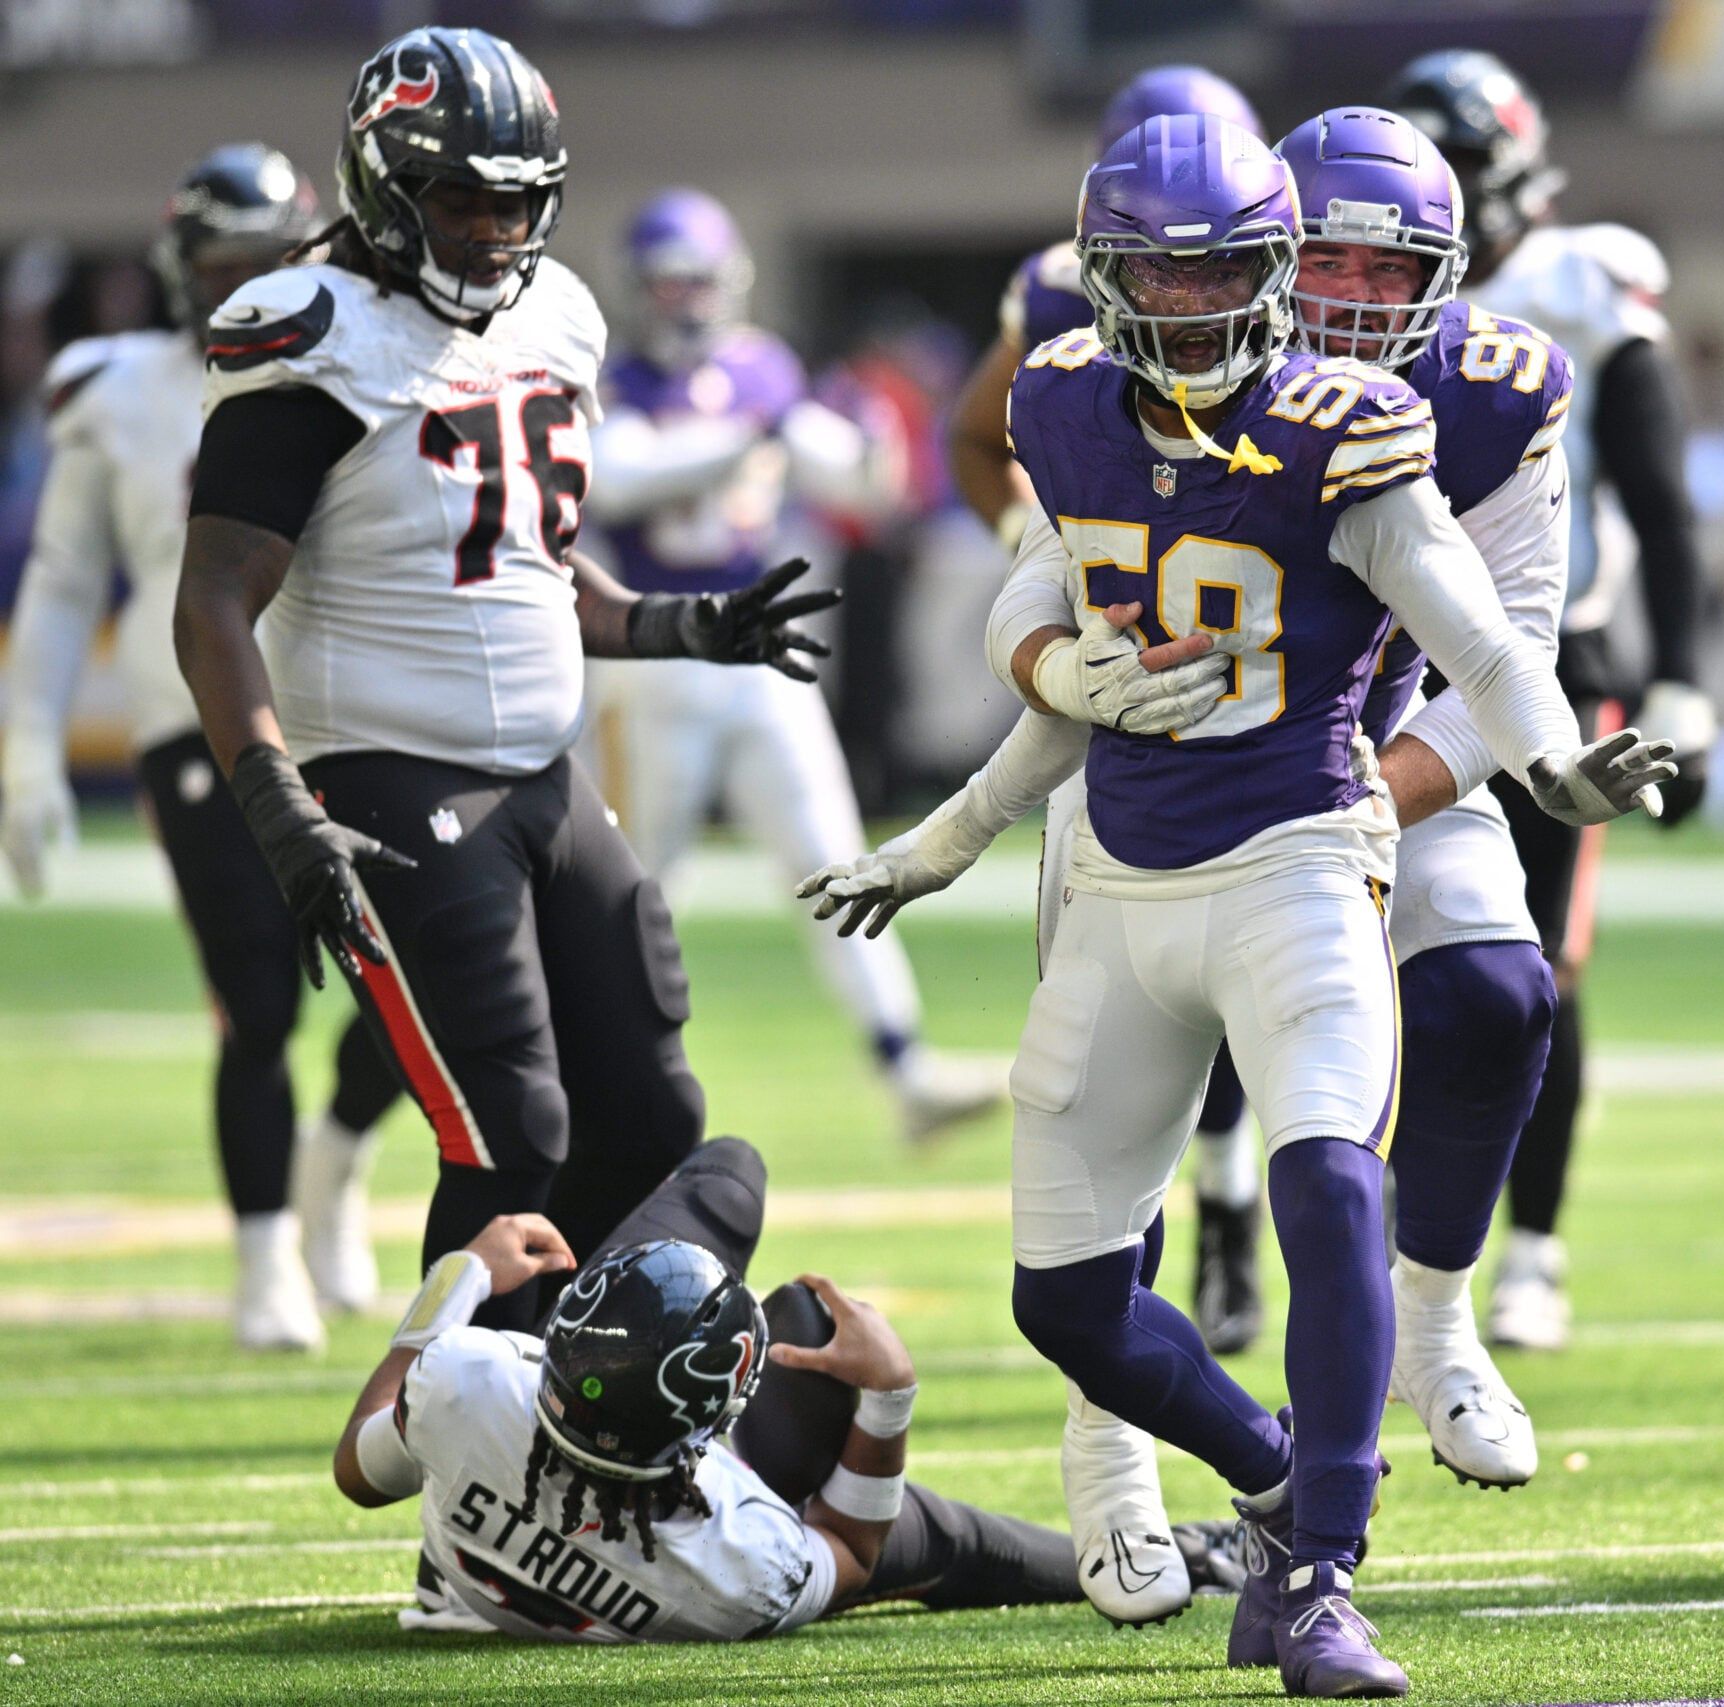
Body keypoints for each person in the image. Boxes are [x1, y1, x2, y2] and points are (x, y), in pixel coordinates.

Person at [813, 114, 1668, 1695]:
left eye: (1229, 269)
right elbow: (1042, 590)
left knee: (1336, 1171)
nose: (1201, 301)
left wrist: (1552, 769)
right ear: (1109, 274)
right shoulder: (1067, 395)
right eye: (1162, 271)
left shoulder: (1367, 420)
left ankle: (1329, 1560)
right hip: (1127, 855)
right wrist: (975, 792)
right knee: (1068, 1296)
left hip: (1306, 839)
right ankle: (1272, 1481)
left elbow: (1492, 643)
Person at [170, 26, 837, 1333]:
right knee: (507, 1123)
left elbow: (528, 571)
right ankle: (446, 1427)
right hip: (382, 770)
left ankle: (562, 1387)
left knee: (651, 1109)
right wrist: (273, 798)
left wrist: (676, 626)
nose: (490, 230)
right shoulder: (313, 330)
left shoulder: (558, 316)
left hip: (538, 774)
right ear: (383, 187)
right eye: (461, 198)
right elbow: (213, 596)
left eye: (515, 200)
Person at [1, 144, 403, 1350]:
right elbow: (68, 583)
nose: (241, 286)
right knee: (259, 999)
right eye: (221, 266)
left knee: (414, 987)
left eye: (262, 262)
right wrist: (26, 749)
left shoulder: (357, 351)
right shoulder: (117, 387)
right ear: (181, 271)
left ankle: (334, 1158)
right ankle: (263, 1253)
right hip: (194, 725)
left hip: (345, 708)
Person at [331, 1137, 1236, 1640]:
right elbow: (852, 1545)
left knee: (731, 1194)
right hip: (669, 1533)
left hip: (510, 1563)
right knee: (934, 1520)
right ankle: (1180, 1550)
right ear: (713, 1440)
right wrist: (888, 1396)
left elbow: (359, 1465)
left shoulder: (467, 1383)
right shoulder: (745, 1559)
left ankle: (1187, 1551)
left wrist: (458, 1278)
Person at [1388, 50, 1717, 1352]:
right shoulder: (1362, 290)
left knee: (1539, 966)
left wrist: (1681, 680)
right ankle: (1387, 1239)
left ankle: (1532, 1246)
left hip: (1550, 655)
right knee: (1362, 944)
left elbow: (1657, 493)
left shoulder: (1581, 289)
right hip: (1386, 657)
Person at [945, 64, 1273, 1355]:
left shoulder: (1300, 298)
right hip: (1114, 665)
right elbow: (978, 437)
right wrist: (1036, 537)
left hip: (1261, 678)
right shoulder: (1053, 292)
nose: (1191, 273)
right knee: (1093, 984)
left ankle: (1236, 1204)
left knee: (1260, 965)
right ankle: (1118, 1296)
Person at [583, 187, 1000, 1143]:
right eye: (670, 283)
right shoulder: (619, 382)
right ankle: (604, 1075)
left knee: (837, 861)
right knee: (642, 884)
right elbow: (620, 477)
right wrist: (750, 436)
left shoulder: (761, 370)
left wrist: (874, 453)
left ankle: (906, 1067)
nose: (687, 302)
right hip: (656, 659)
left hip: (763, 654)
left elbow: (851, 476)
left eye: (700, 282)